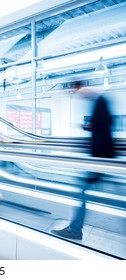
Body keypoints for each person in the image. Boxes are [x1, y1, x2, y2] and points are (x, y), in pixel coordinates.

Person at [51, 81, 115, 240]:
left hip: (100, 158)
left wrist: (90, 127)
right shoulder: (101, 101)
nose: (79, 97)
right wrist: (89, 127)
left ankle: (75, 229)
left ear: (81, 88)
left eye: (77, 92)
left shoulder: (99, 101)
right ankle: (75, 228)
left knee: (82, 192)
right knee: (85, 192)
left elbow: (103, 127)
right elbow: (104, 125)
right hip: (103, 156)